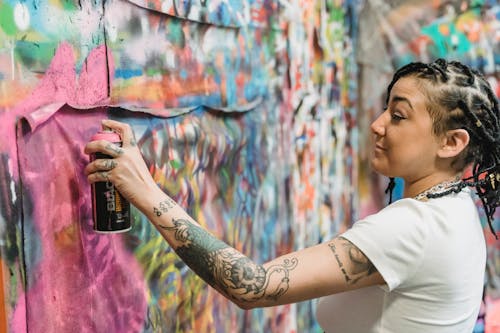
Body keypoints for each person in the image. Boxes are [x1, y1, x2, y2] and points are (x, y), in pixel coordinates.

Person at [84, 59, 500, 333]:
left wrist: (145, 189)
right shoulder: (458, 207)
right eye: (384, 109)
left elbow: (252, 286)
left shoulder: (415, 227)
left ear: (451, 143)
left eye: (398, 115)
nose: (377, 124)